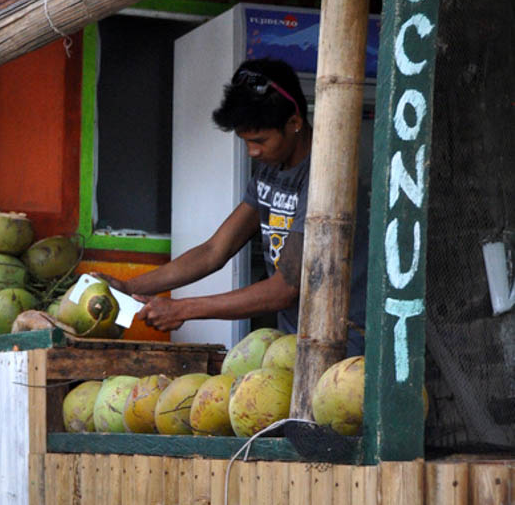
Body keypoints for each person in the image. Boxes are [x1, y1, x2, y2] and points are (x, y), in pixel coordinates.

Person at [109, 57, 366, 354]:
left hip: (347, 343)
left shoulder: (325, 177)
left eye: (260, 140)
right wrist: (129, 288)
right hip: (297, 340)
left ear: (294, 122)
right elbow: (213, 252)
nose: (252, 151)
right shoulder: (270, 168)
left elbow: (285, 289)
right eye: (245, 141)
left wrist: (183, 309)